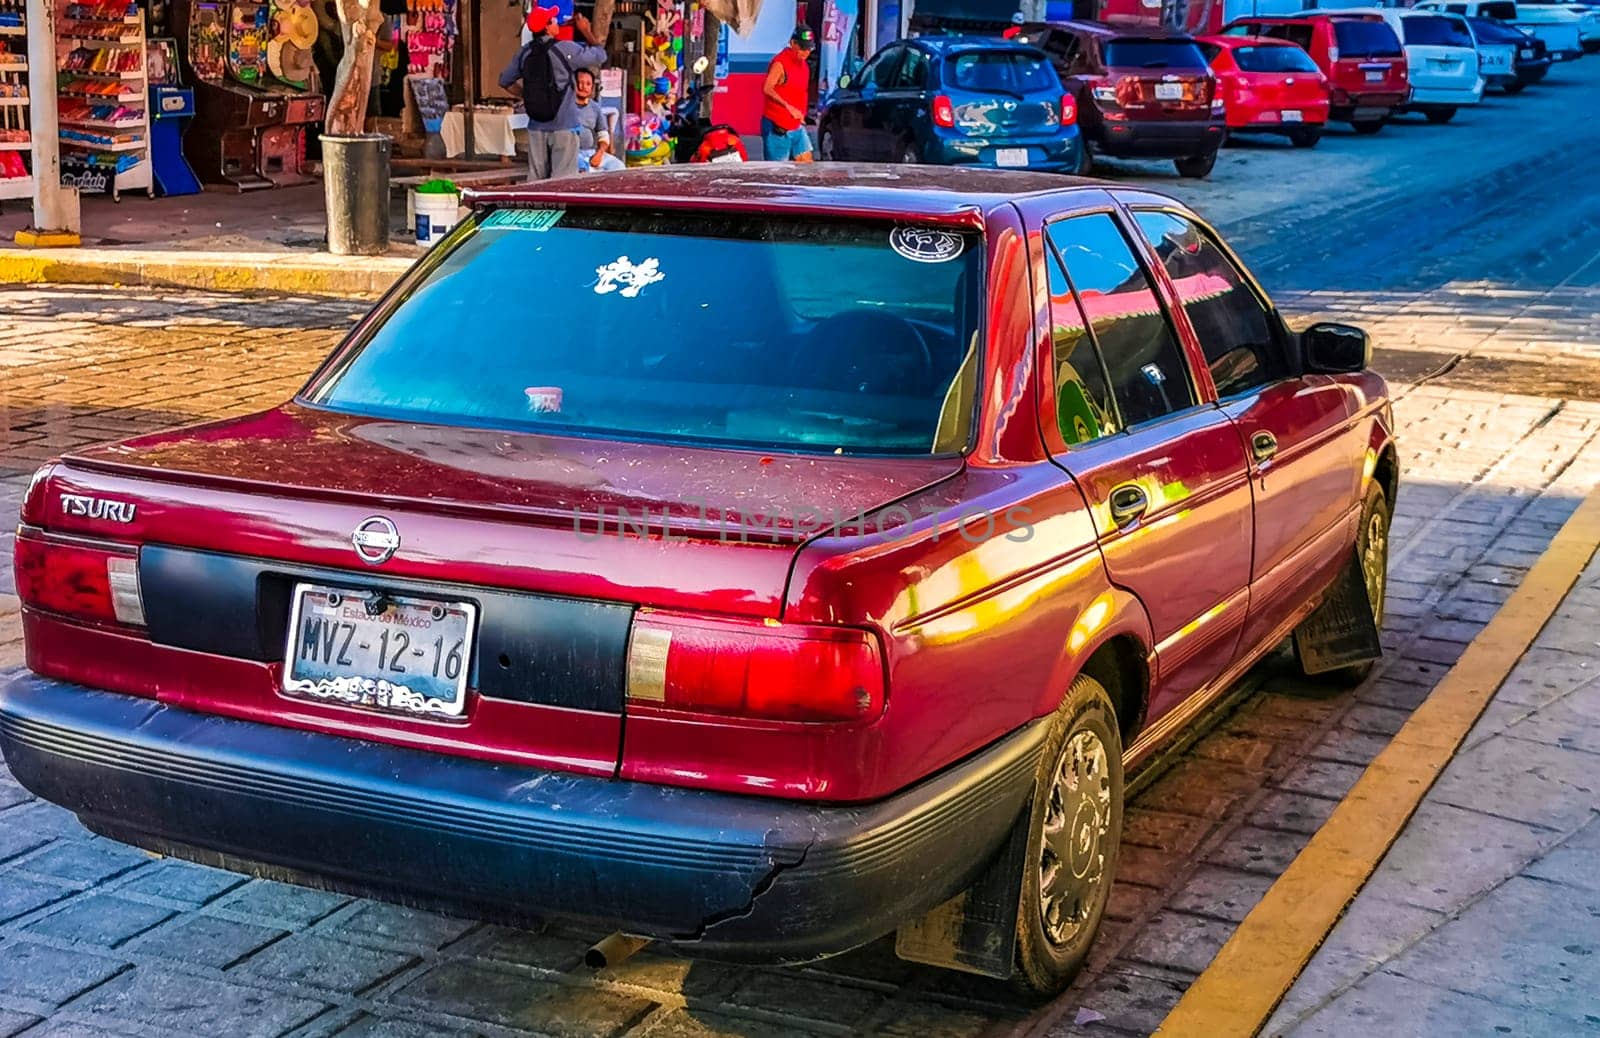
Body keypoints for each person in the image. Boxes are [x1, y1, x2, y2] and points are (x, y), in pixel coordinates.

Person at [499, 5, 606, 181]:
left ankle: (537, 209)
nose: (557, 22)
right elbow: (600, 55)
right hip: (564, 127)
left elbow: (504, 81)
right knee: (562, 182)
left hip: (536, 128)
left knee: (536, 182)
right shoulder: (564, 49)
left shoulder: (525, 53)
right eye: (553, 20)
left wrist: (527, 95)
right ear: (548, 27)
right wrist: (586, 31)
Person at [761, 26, 815, 162]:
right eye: (802, 48)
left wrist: (802, 114)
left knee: (807, 165)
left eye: (808, 49)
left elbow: (801, 92)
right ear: (793, 44)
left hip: (797, 125)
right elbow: (767, 88)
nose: (805, 53)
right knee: (778, 173)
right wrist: (788, 106)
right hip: (778, 126)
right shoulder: (780, 63)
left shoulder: (804, 66)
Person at [573, 68, 624, 173]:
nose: (583, 87)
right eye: (580, 83)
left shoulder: (595, 108)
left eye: (588, 84)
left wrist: (599, 154)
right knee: (584, 171)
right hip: (571, 154)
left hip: (592, 152)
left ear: (592, 87)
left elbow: (603, 135)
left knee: (619, 167)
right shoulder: (565, 107)